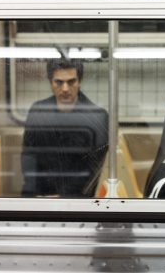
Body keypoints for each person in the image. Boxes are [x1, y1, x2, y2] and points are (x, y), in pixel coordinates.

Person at [21, 58, 108, 197]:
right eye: (59, 82)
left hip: (79, 197)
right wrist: (32, 192)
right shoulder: (38, 111)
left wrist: (64, 196)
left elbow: (95, 168)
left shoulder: (97, 116)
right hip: (40, 193)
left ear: (79, 81)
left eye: (71, 82)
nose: (65, 89)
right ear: (50, 82)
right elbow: (29, 155)